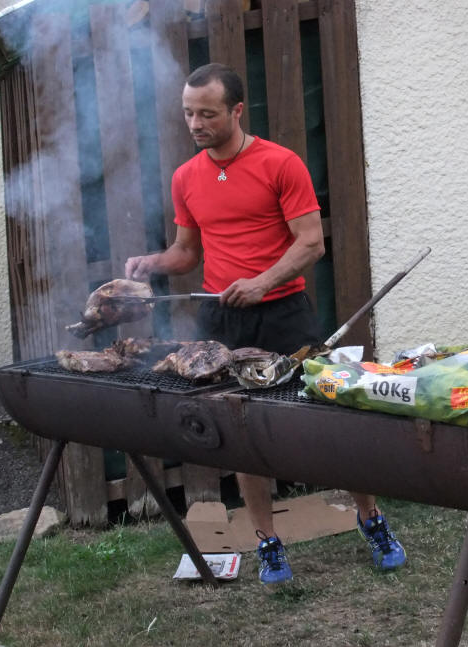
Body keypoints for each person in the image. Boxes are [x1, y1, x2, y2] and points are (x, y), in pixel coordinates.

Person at [125, 62, 406, 587]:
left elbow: (310, 243)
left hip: (283, 313)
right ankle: (268, 542)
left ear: (237, 110)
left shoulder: (280, 163)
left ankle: (372, 520)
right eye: (188, 113)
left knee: (328, 420)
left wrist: (261, 281)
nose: (195, 124)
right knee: (240, 433)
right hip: (222, 320)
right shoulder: (186, 177)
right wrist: (152, 263)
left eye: (207, 114)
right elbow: (187, 252)